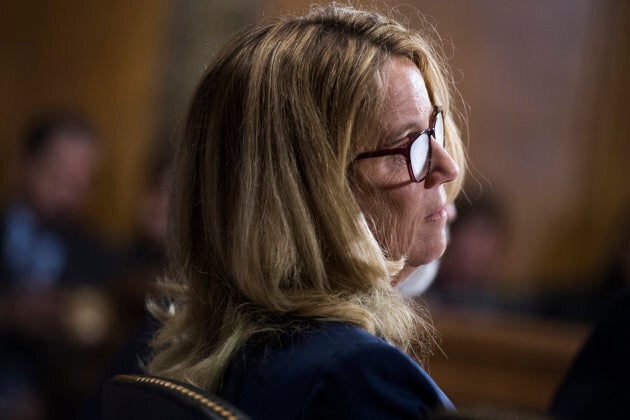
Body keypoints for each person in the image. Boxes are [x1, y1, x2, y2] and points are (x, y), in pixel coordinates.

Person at [146, 5, 465, 419]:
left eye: (433, 130)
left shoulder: (217, 349)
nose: (447, 167)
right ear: (313, 190)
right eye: (411, 144)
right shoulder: (356, 378)